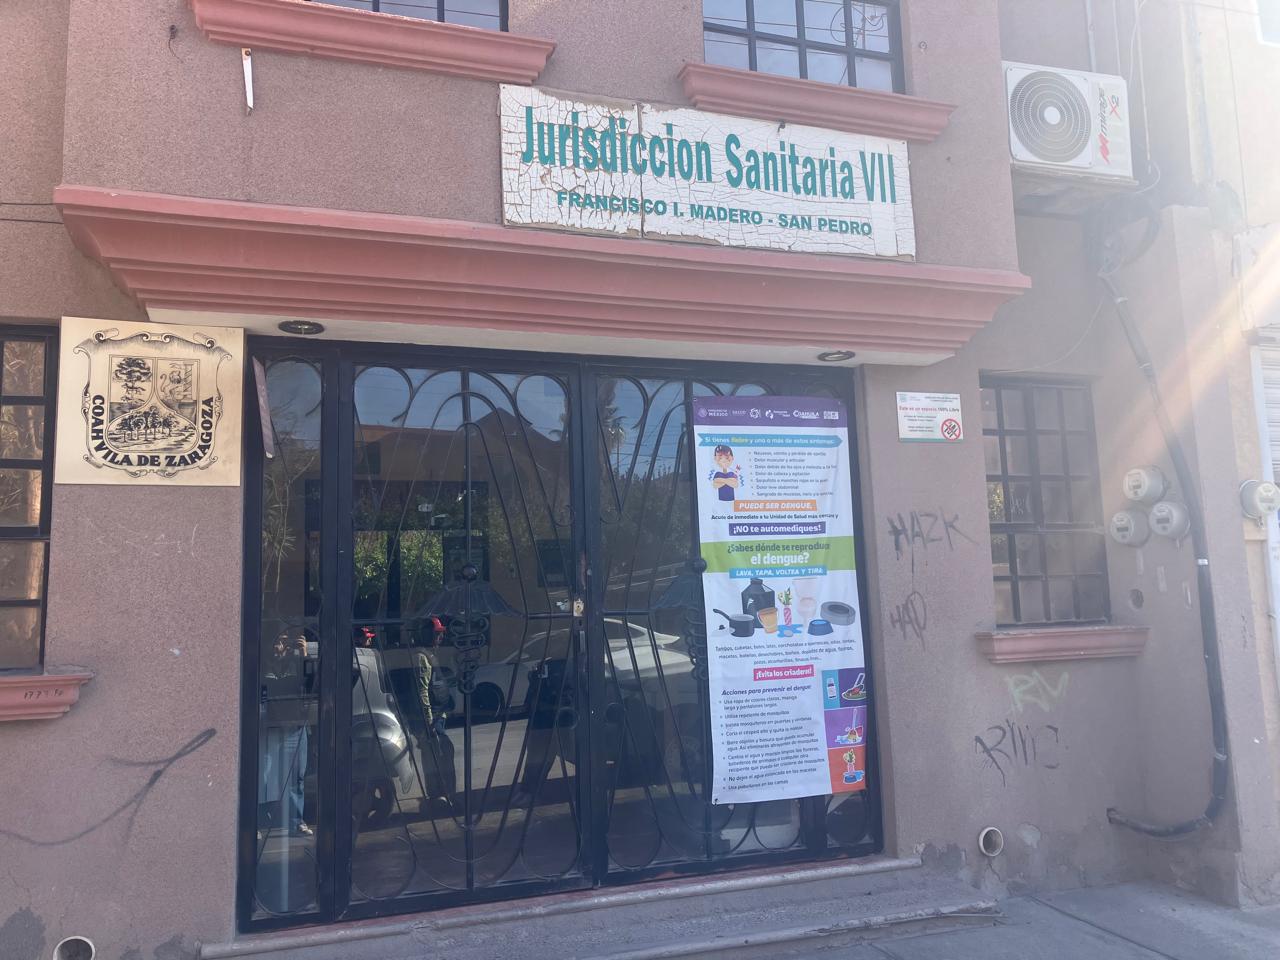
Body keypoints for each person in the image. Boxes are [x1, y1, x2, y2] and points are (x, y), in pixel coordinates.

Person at [260, 630, 314, 837]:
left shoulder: (296, 663)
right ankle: (255, 822)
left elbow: (312, 684)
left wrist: (304, 654)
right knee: (262, 776)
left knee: (296, 776)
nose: (281, 646)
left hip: (295, 727)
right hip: (269, 728)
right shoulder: (262, 664)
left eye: (285, 641)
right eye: (278, 641)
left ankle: (296, 821)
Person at [415, 618, 457, 810]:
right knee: (438, 754)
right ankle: (439, 796)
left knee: (442, 752)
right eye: (438, 633)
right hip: (431, 719)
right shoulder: (422, 657)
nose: (441, 637)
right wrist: (429, 721)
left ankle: (443, 795)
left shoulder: (432, 655)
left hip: (439, 715)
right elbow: (422, 691)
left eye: (441, 633)